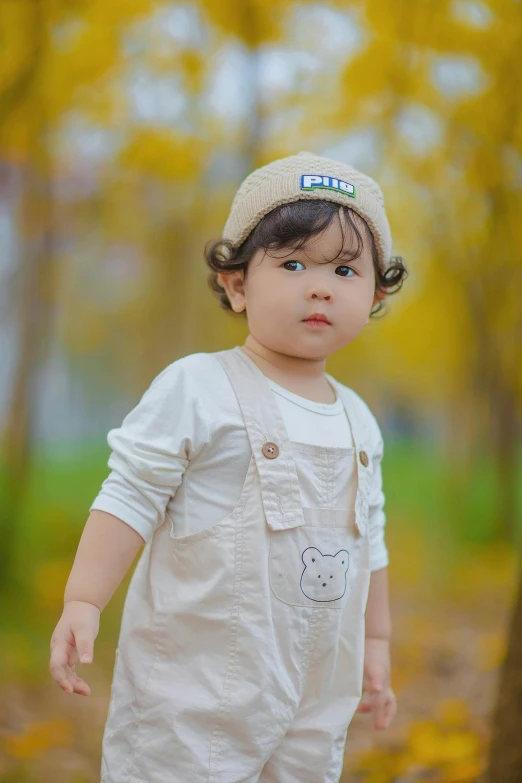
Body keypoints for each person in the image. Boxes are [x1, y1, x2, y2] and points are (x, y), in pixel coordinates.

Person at [49, 150, 408, 782]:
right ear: (237, 284)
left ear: (376, 293)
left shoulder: (359, 419)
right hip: (191, 698)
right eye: (293, 263)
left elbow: (368, 541)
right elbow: (130, 494)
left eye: (345, 269)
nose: (319, 285)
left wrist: (375, 644)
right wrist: (83, 598)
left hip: (312, 702)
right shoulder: (197, 387)